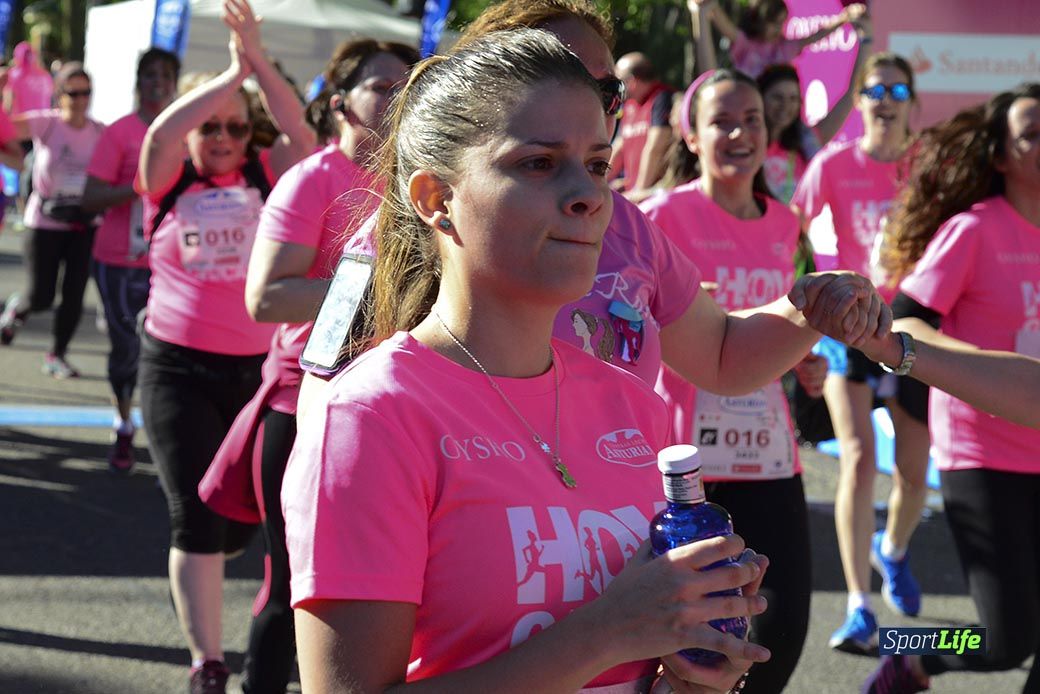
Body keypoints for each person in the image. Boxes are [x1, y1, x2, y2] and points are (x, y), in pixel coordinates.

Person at [284, 27, 779, 694]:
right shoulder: (371, 418)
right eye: (539, 163)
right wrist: (611, 631)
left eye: (599, 164)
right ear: (435, 199)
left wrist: (691, 665)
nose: (589, 195)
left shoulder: (637, 407)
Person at [199, 38, 418, 694]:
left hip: (400, 408)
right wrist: (378, 285)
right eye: (381, 86)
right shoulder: (312, 179)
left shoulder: (418, 182)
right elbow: (265, 295)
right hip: (307, 404)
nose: (396, 97)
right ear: (339, 104)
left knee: (395, 588)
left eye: (405, 85)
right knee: (294, 587)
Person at [135, 0, 314, 691]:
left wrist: (255, 66)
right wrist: (224, 79)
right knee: (196, 517)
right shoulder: (166, 180)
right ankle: (207, 663)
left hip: (257, 376)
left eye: (235, 127)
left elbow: (298, 128)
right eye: (209, 126)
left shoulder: (270, 177)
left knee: (242, 530)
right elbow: (163, 130)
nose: (221, 135)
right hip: (175, 368)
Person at [639, 68, 821, 693]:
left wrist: (802, 360)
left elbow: (776, 331)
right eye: (721, 121)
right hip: (689, 462)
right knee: (699, 640)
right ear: (691, 136)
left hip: (769, 451)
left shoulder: (784, 222)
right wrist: (698, 320)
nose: (739, 132)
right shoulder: (657, 217)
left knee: (784, 626)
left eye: (752, 120)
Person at [860, 82, 1040, 693]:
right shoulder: (975, 229)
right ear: (1000, 156)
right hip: (982, 453)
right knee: (1004, 638)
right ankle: (907, 649)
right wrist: (994, 368)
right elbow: (906, 319)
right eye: (1031, 133)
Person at [790, 52, 930, 654]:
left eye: (897, 88)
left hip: (915, 326)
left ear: (911, 101)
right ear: (863, 99)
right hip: (849, 325)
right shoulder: (832, 164)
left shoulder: (926, 166)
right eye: (875, 89)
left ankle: (891, 549)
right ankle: (859, 607)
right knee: (857, 457)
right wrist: (807, 297)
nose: (885, 99)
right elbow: (789, 227)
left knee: (915, 473)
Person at [81, 47, 180, 473]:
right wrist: (141, 186)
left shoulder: (187, 131)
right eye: (149, 74)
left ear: (175, 83)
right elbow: (90, 198)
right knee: (126, 351)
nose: (156, 82)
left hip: (171, 265)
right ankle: (123, 423)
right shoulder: (119, 133)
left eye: (165, 75)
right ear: (138, 82)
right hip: (119, 261)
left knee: (165, 355)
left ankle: (166, 441)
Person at [0, 63, 103, 378]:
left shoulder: (100, 131)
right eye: (73, 93)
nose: (80, 99)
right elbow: (5, 129)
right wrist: (5, 94)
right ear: (59, 95)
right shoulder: (47, 123)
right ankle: (18, 309)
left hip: (83, 224)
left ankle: (56, 355)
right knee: (42, 296)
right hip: (43, 222)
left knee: (73, 294)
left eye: (86, 92)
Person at [694, 0, 866, 79]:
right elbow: (722, 22)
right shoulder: (745, 44)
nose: (778, 28)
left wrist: (844, 18)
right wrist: (710, 5)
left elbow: (815, 35)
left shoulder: (784, 47)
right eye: (773, 23)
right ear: (759, 20)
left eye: (781, 23)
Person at [610, 52, 672, 195]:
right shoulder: (630, 105)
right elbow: (620, 146)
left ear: (631, 82)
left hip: (655, 194)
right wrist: (597, 180)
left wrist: (639, 190)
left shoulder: (662, 98)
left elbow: (655, 147)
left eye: (618, 82)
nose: (615, 89)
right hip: (637, 193)